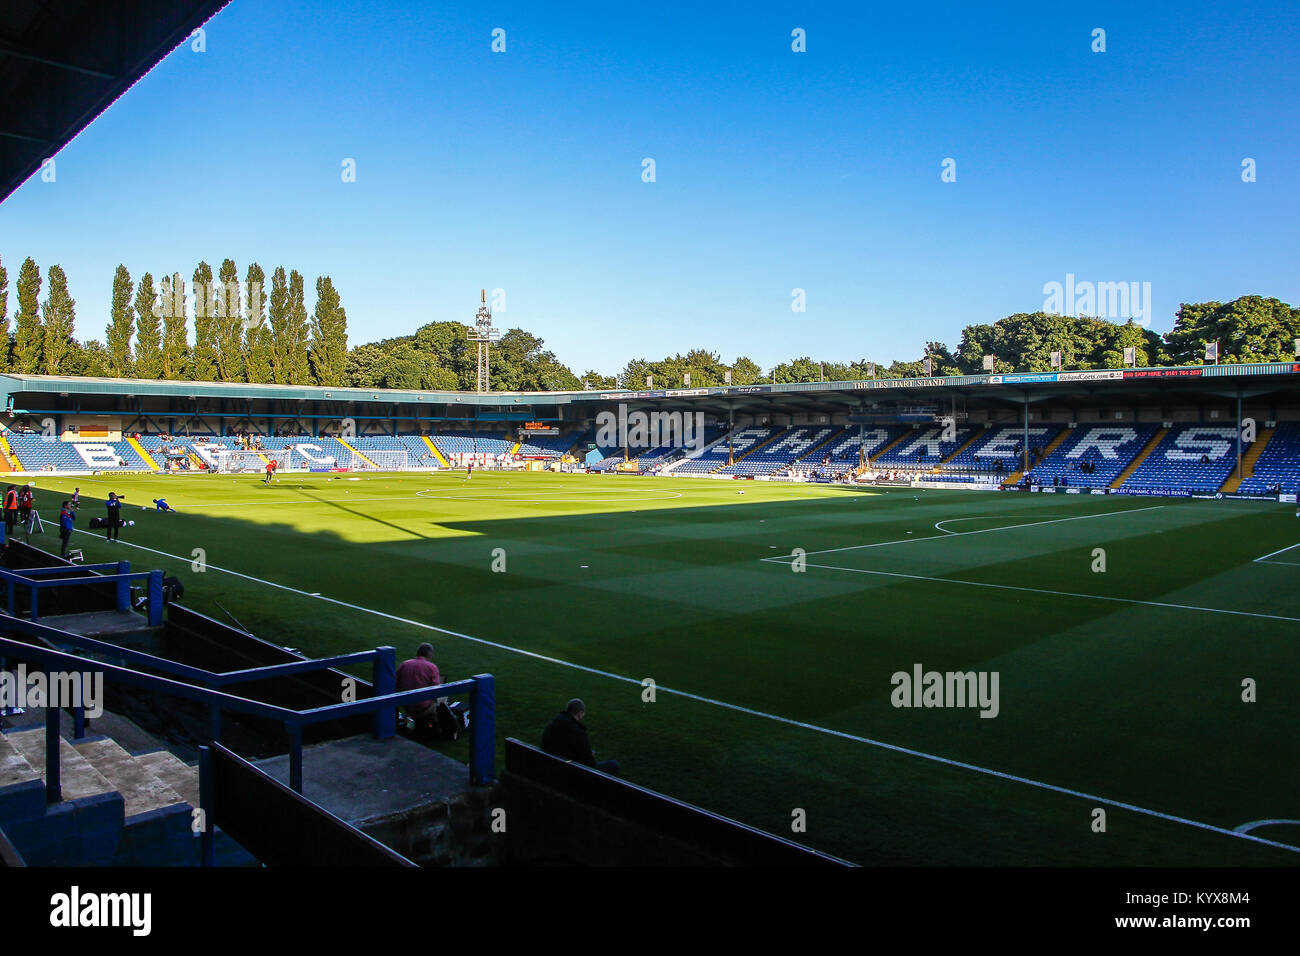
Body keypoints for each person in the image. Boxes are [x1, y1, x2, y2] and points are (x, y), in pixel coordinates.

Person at [541, 699, 619, 775]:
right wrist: (590, 754)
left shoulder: (553, 723)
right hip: (568, 771)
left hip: (549, 765)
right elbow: (590, 763)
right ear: (580, 713)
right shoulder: (578, 732)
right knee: (614, 764)